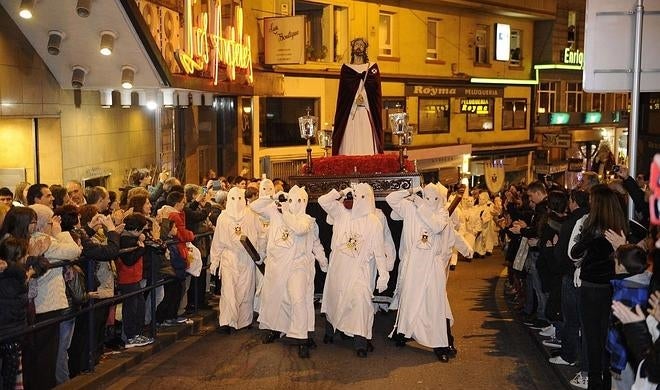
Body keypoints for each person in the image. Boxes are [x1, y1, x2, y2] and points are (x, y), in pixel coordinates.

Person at [386, 183, 472, 362]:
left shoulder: (440, 213)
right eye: (426, 197)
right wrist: (410, 192)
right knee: (409, 302)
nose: (430, 201)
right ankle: (402, 333)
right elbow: (390, 199)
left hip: (431, 267)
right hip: (412, 266)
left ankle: (442, 343)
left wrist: (466, 249)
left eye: (434, 198)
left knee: (436, 305)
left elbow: (439, 227)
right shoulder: (410, 207)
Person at [250, 185, 328, 358]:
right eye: (292, 200)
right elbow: (254, 207)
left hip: (297, 266)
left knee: (298, 300)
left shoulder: (307, 220)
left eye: (299, 200)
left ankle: (301, 337)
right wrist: (271, 197)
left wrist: (323, 260)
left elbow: (305, 235)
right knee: (276, 299)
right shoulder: (274, 212)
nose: (294, 204)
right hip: (276, 266)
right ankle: (277, 329)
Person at [318, 183, 389, 357]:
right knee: (334, 299)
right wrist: (341, 192)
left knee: (359, 301)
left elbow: (379, 251)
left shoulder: (373, 221)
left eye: (358, 197)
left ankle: (360, 341)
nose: (354, 200)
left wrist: (383, 274)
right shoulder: (341, 213)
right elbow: (323, 201)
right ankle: (330, 332)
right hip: (338, 268)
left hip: (359, 270)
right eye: (353, 196)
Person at [209, 187, 262, 333]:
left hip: (246, 257)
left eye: (239, 198)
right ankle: (226, 321)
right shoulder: (223, 217)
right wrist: (215, 260)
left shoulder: (251, 214)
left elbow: (260, 234)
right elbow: (218, 240)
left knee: (246, 289)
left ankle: (244, 320)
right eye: (233, 199)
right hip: (229, 257)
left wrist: (260, 254)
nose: (237, 202)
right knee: (228, 290)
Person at [331, 38, 384, 156]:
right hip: (351, 113)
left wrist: (364, 98)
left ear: (365, 49)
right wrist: (354, 100)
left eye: (361, 45)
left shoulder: (372, 68)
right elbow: (344, 95)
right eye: (356, 45)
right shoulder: (346, 69)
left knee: (365, 136)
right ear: (352, 48)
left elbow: (375, 92)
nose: (358, 47)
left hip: (365, 110)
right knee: (350, 138)